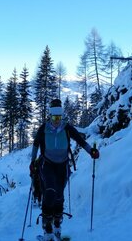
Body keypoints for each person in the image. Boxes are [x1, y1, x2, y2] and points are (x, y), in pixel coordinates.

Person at [30, 98, 99, 241]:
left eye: (59, 117)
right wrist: (32, 162)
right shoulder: (44, 129)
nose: (56, 120)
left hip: (62, 165)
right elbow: (36, 145)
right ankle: (47, 228)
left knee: (59, 196)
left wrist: (91, 151)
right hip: (47, 164)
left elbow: (80, 141)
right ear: (50, 116)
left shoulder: (66, 128)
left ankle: (57, 226)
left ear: (62, 116)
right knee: (49, 192)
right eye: (54, 117)